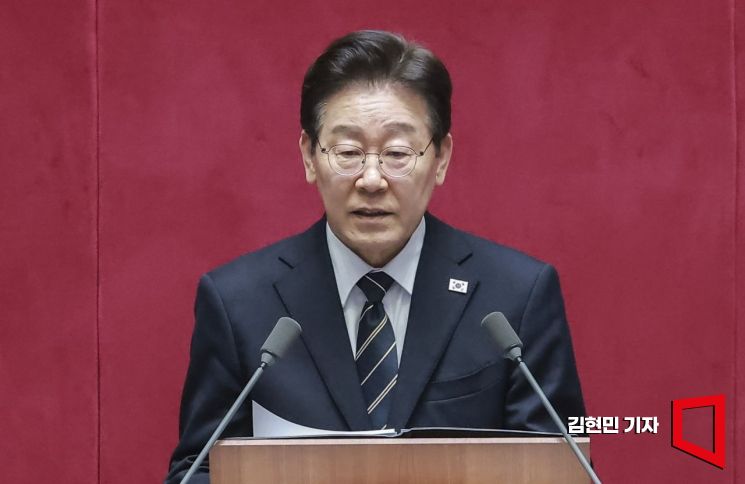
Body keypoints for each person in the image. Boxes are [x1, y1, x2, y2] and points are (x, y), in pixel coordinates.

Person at [165, 30, 585, 483]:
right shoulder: (238, 303)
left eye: (397, 153)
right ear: (309, 156)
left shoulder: (517, 296)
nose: (370, 179)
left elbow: (560, 469)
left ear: (441, 158)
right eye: (347, 152)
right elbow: (198, 471)